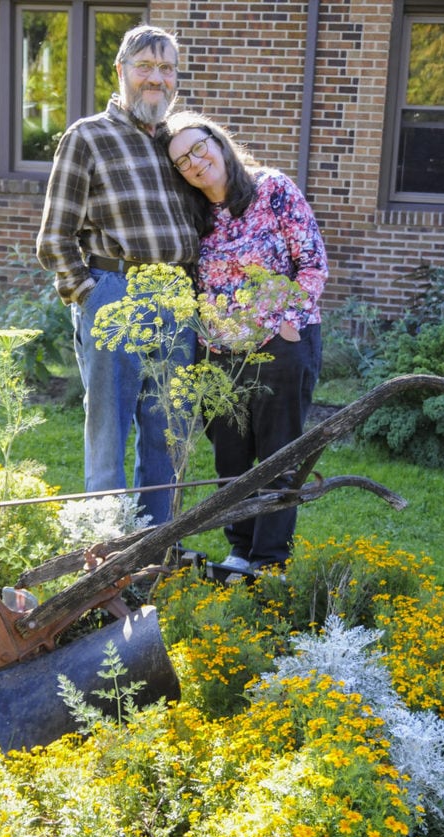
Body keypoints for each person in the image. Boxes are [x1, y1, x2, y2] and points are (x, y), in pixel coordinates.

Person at [36, 25, 199, 524]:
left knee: (168, 434)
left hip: (177, 297)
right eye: (145, 67)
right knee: (108, 433)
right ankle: (104, 554)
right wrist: (89, 295)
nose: (157, 78)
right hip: (116, 293)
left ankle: (154, 548)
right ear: (121, 72)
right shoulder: (87, 137)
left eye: (166, 68)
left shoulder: (176, 144)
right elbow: (53, 238)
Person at [163, 111, 329, 571]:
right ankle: (240, 550)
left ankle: (271, 559)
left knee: (279, 455)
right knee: (231, 457)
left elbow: (312, 263)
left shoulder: (272, 189)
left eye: (199, 148)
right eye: (182, 162)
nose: (195, 163)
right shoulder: (194, 217)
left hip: (282, 346)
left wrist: (287, 325)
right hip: (219, 356)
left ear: (218, 143)